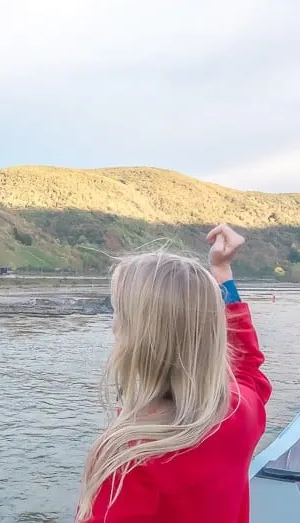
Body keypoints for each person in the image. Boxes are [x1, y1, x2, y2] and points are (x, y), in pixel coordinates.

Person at [75, 224, 272, 522]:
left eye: (119, 313)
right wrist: (222, 273)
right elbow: (248, 371)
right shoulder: (238, 413)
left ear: (140, 338)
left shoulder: (131, 458)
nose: (114, 325)